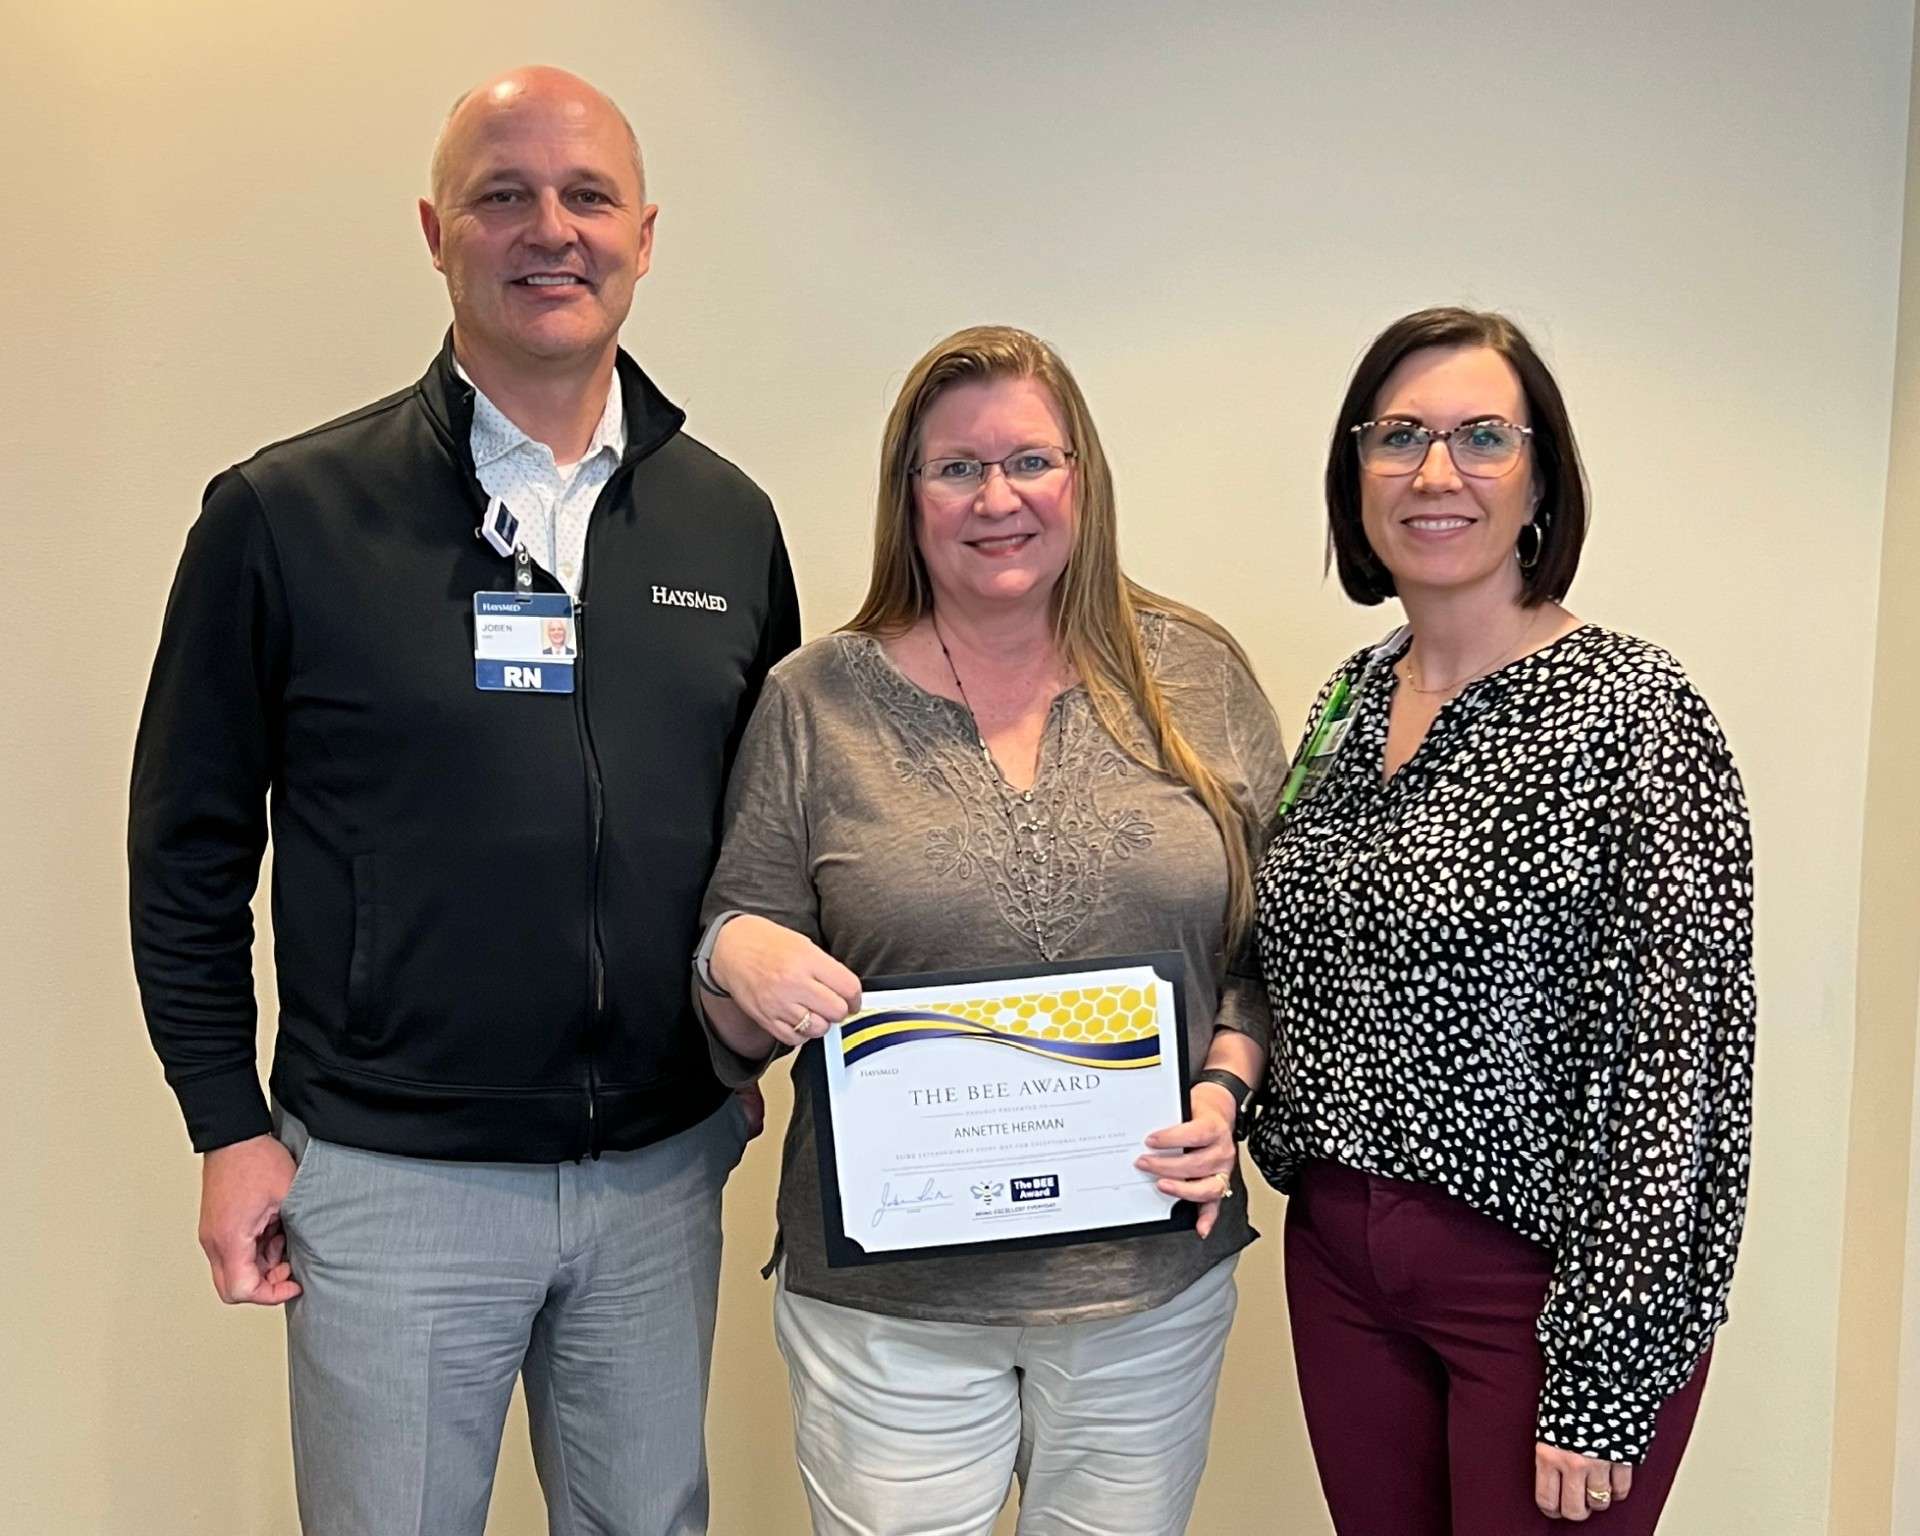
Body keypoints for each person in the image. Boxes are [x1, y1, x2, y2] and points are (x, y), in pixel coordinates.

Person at [128, 66, 798, 1536]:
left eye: (588, 196)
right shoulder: (285, 514)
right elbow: (186, 848)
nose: (550, 229)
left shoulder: (728, 524)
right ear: (436, 233)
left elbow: (770, 828)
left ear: (645, 235)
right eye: (504, 195)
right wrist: (225, 1122)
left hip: (659, 1174)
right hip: (391, 1177)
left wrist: (731, 1030)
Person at [690, 325, 1289, 1536]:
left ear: (1084, 477)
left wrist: (1225, 1092)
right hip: (889, 1311)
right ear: (907, 495)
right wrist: (730, 957)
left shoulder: (1197, 675)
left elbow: (1270, 953)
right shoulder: (814, 701)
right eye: (956, 468)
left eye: (1030, 461)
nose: (996, 499)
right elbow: (732, 1001)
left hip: (1144, 1290)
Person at [1250, 307, 1755, 1532]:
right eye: (1398, 437)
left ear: (1540, 480)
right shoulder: (1349, 700)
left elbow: (1677, 1069)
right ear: (1356, 474)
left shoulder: (1634, 713)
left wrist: (1604, 1373)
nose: (1436, 472)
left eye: (1482, 436)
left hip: (1538, 1285)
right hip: (1341, 1265)